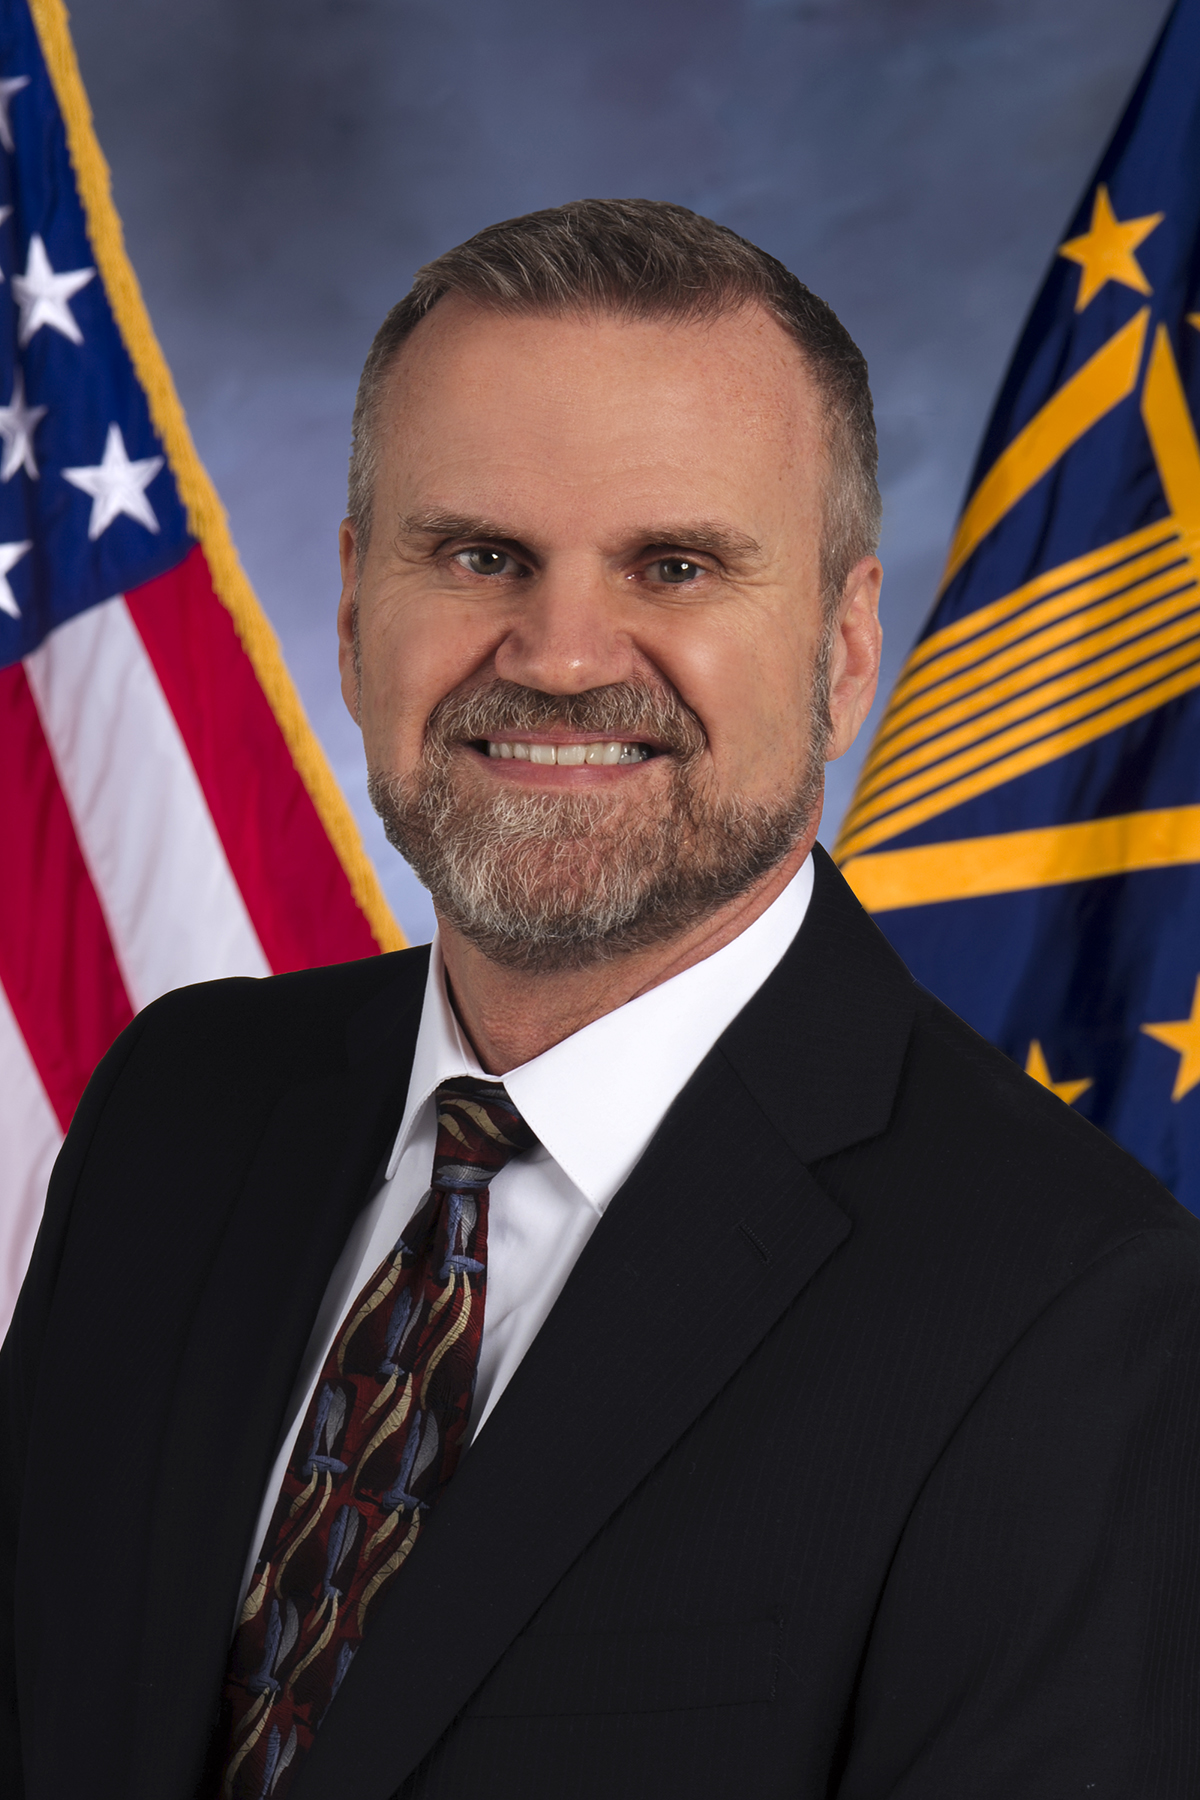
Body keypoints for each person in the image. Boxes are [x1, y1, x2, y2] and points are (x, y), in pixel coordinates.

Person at [3, 198, 1200, 1800]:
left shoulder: (1071, 1316)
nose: (562, 658)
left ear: (846, 652)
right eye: (480, 554)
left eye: (676, 564)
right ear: (354, 615)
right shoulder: (181, 1103)